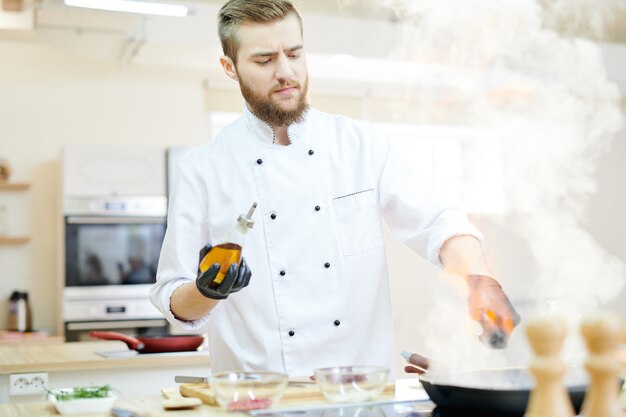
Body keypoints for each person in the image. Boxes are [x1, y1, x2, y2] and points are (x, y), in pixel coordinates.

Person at [150, 0, 520, 376]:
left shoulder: (360, 144)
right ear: (230, 68)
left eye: (294, 53)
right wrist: (207, 291)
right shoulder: (203, 169)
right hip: (261, 399)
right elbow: (173, 297)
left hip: (362, 393)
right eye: (264, 60)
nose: (285, 71)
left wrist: (479, 278)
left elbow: (440, 222)